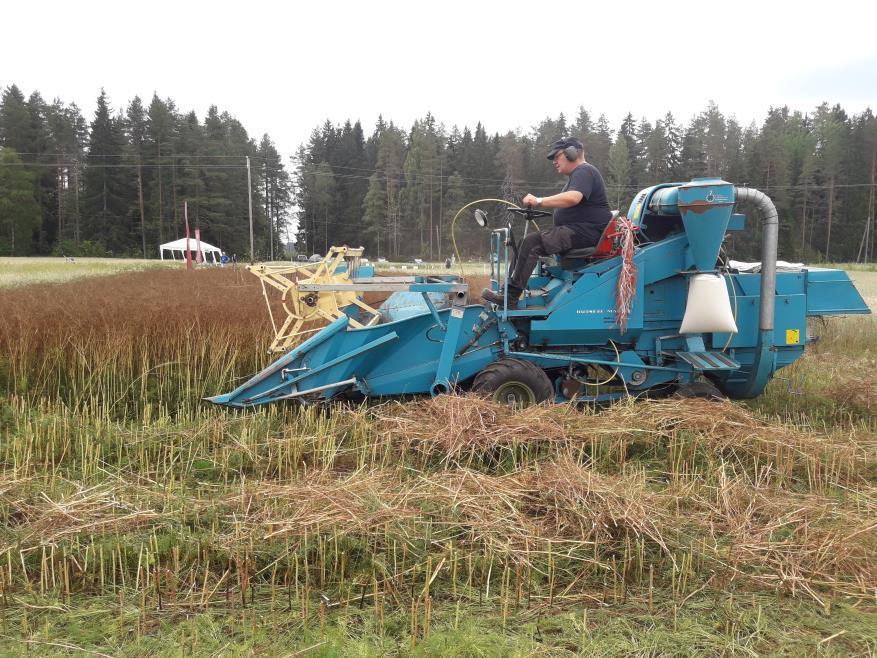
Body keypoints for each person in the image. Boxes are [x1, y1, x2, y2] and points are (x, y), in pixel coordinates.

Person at [481, 137, 611, 307]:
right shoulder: (578, 175)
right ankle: (508, 292)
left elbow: (573, 198)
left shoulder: (584, 171)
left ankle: (510, 297)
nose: (554, 162)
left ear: (572, 153)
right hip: (577, 232)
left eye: (557, 157)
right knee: (524, 243)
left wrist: (539, 200)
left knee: (532, 243)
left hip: (585, 233)